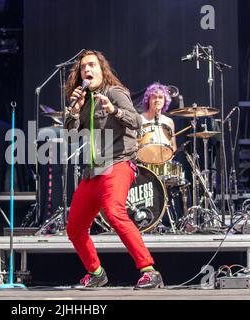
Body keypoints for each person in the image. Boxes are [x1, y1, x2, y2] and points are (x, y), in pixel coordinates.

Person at [64, 50, 164, 289]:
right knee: (75, 227)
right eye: (83, 68)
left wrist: (114, 110)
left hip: (118, 162)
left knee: (114, 212)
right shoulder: (84, 100)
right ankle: (96, 272)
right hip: (93, 170)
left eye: (91, 65)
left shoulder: (115, 92)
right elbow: (70, 134)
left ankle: (149, 270)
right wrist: (75, 109)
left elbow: (138, 121)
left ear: (101, 69)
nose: (87, 70)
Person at [140, 82, 177, 153]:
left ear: (165, 101)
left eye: (160, 97)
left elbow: (173, 146)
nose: (157, 100)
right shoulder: (140, 119)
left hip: (164, 161)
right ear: (148, 100)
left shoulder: (169, 121)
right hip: (144, 160)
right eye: (154, 97)